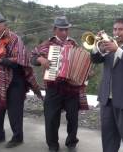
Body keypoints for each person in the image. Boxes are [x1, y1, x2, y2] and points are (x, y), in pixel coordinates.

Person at [31, 16, 89, 152]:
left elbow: (82, 60)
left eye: (66, 29)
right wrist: (40, 59)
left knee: (73, 118)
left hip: (71, 88)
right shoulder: (47, 44)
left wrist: (85, 71)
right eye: (61, 29)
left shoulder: (74, 44)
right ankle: (52, 145)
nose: (64, 32)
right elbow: (32, 56)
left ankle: (71, 142)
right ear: (54, 29)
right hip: (53, 87)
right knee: (51, 118)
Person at [0, 13, 42, 148]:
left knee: (14, 112)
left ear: (5, 25)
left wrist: (3, 60)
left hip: (15, 81)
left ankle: (17, 138)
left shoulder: (15, 39)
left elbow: (21, 60)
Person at [90, 18, 123, 152]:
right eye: (114, 29)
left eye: (120, 29)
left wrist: (117, 50)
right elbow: (95, 59)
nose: (116, 32)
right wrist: (96, 46)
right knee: (108, 137)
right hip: (107, 100)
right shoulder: (109, 45)